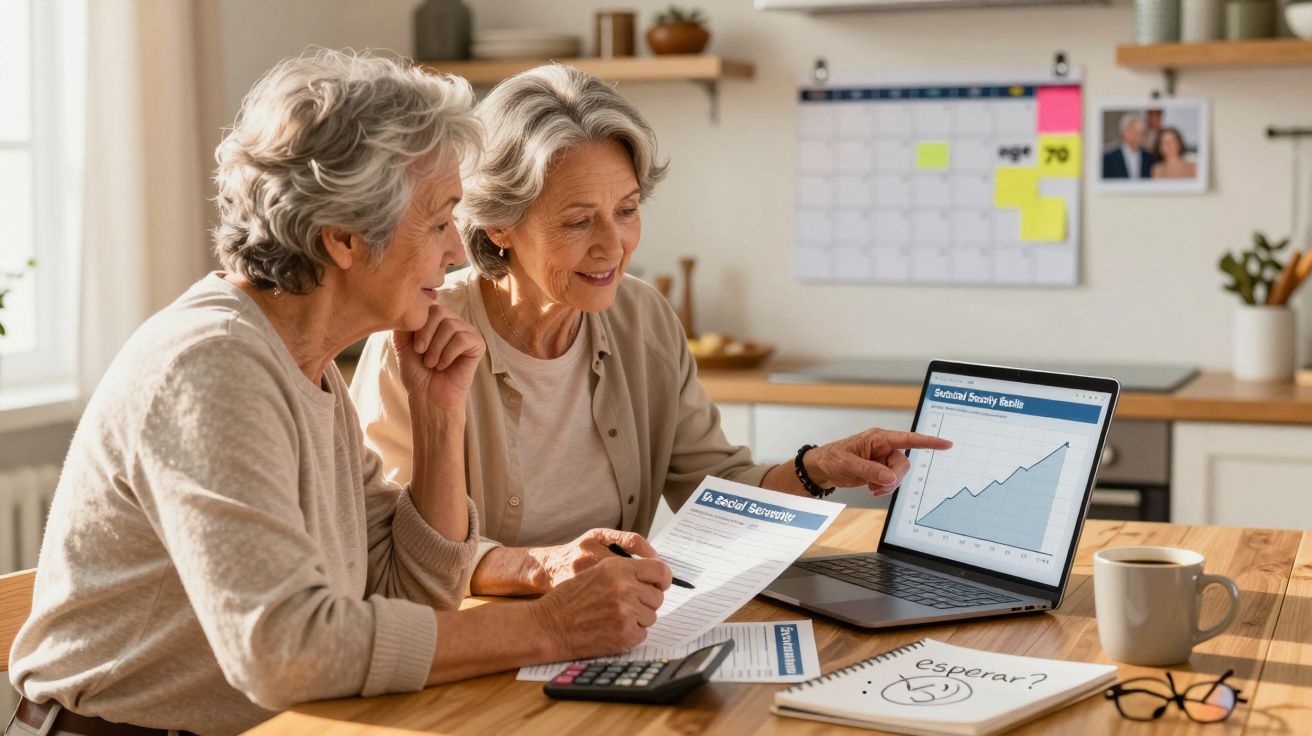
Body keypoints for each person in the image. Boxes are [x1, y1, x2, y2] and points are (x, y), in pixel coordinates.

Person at [7, 51, 668, 736]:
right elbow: (287, 651)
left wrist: (439, 418)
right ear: (346, 238)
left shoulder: (306, 365)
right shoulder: (211, 368)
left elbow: (408, 588)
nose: (456, 253)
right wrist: (549, 627)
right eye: (441, 220)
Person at [349, 64, 951, 598]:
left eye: (628, 210)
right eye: (579, 220)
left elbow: (713, 487)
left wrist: (817, 466)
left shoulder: (643, 319)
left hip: (615, 627)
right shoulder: (417, 340)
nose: (613, 246)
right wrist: (543, 567)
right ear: (501, 224)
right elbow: (399, 548)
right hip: (476, 642)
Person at [1101, 112, 1158, 179]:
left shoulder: (1150, 159)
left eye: (1142, 132)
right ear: (1124, 132)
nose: (1139, 136)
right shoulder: (1108, 159)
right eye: (1135, 131)